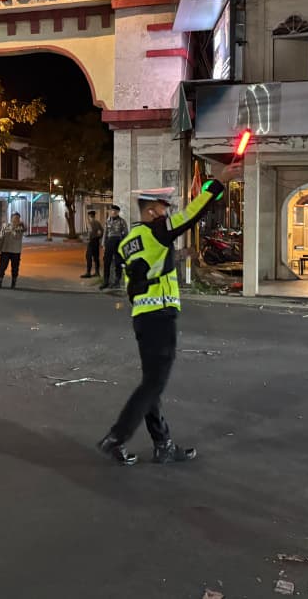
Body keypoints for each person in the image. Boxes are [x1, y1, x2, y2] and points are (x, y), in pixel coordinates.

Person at [96, 179, 224, 466]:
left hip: (142, 317)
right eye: (164, 209)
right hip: (160, 316)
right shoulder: (157, 232)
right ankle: (116, 437)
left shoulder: (129, 241)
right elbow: (191, 215)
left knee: (150, 384)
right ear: (152, 211)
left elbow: (143, 271)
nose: (167, 214)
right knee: (154, 383)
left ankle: (162, 444)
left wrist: (177, 255)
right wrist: (217, 185)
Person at [100, 204, 129, 290]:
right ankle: (106, 281)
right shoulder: (108, 221)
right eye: (111, 211)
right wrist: (103, 244)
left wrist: (124, 245)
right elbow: (105, 233)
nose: (112, 212)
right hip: (109, 242)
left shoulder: (122, 221)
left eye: (114, 211)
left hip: (118, 242)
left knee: (118, 262)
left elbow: (126, 234)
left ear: (117, 212)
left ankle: (117, 281)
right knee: (106, 261)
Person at [0, 212, 25, 289]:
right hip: (5, 250)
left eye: (18, 218)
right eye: (15, 218)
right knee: (2, 267)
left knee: (15, 268)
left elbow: (25, 228)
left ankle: (13, 283)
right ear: (11, 218)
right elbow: (1, 239)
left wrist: (21, 224)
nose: (16, 220)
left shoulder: (21, 228)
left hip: (16, 252)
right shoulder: (5, 226)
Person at [81, 209, 103, 278]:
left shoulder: (90, 223)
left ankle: (88, 272)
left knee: (88, 256)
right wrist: (98, 237)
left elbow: (90, 233)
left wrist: (87, 238)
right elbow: (101, 232)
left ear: (89, 216)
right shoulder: (98, 223)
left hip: (91, 241)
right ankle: (97, 272)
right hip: (96, 241)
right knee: (96, 257)